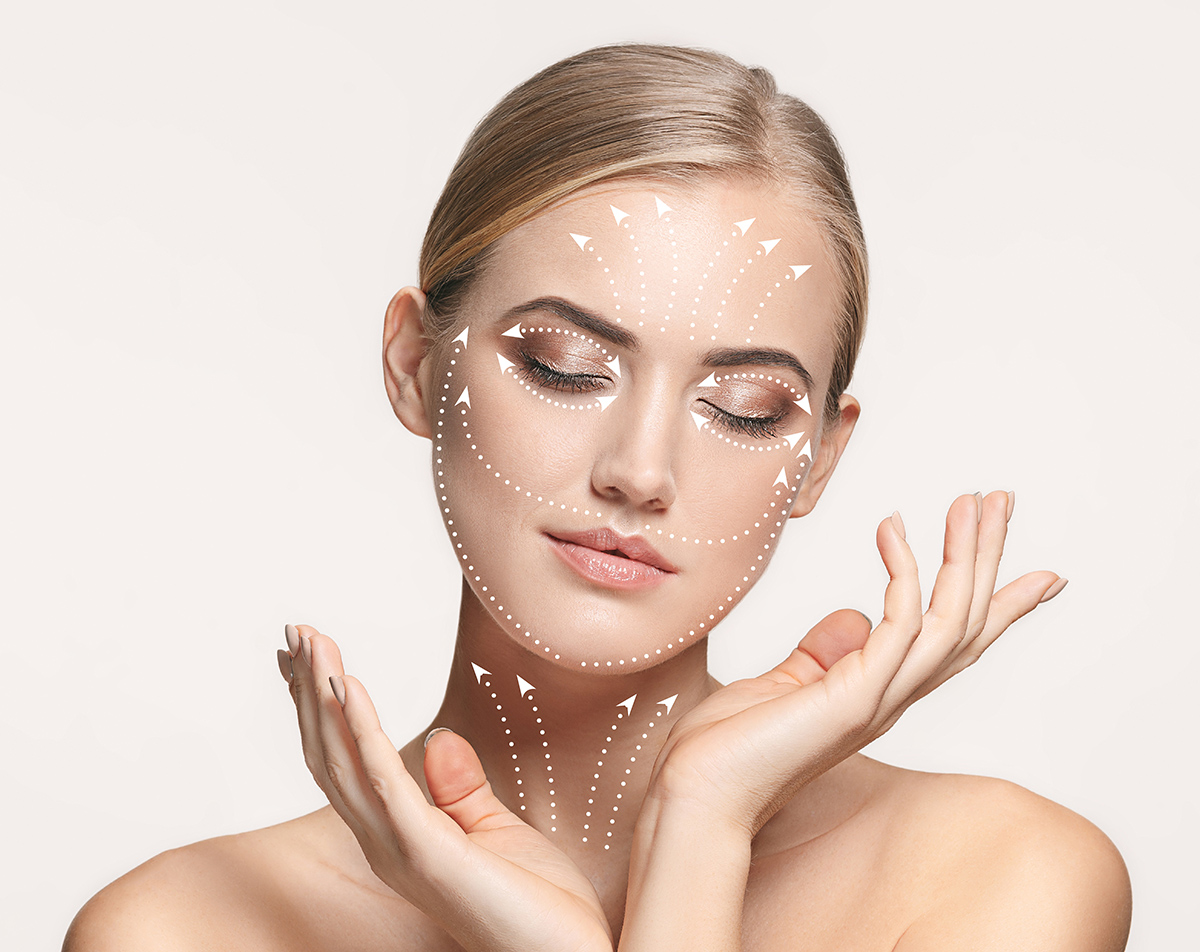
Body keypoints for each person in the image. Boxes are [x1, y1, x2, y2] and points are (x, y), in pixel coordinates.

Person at [63, 43, 1132, 951]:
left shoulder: (997, 881)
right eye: (565, 364)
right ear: (415, 364)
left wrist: (700, 819)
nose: (640, 469)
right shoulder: (185, 929)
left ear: (816, 459)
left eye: (748, 407)